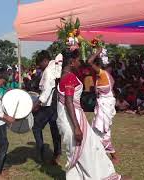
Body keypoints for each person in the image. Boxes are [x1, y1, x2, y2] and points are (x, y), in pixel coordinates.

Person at [57, 48, 125, 180]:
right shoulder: (69, 77)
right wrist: (77, 128)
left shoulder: (65, 76)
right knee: (86, 152)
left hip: (71, 118)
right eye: (77, 60)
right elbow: (69, 102)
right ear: (71, 62)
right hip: (73, 121)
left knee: (84, 150)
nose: (79, 63)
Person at [88, 48, 119, 164]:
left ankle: (114, 156)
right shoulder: (108, 77)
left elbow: (89, 62)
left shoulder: (102, 74)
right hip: (107, 105)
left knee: (101, 132)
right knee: (100, 131)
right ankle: (100, 155)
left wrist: (97, 51)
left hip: (105, 105)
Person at [32, 50, 62, 164]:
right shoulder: (54, 66)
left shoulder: (48, 71)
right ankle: (57, 153)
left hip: (48, 104)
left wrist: (37, 104)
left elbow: (47, 89)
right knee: (54, 129)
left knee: (36, 128)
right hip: (55, 102)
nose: (39, 66)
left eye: (40, 63)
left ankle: (40, 152)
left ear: (45, 60)